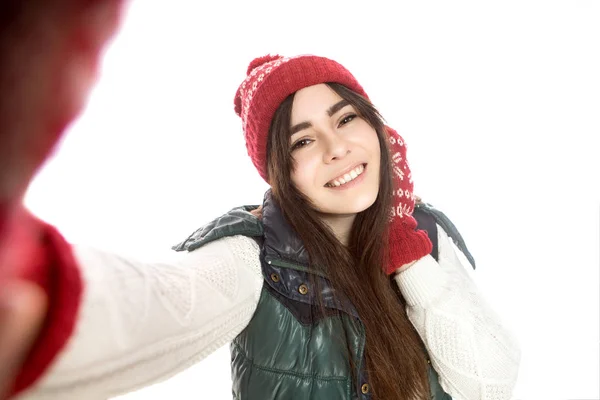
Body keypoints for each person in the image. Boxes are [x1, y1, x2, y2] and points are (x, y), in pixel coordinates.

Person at [0, 3, 521, 399]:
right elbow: (156, 304)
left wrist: (404, 249)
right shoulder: (254, 254)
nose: (337, 147)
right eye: (303, 140)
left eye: (345, 119)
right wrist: (28, 281)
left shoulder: (421, 231)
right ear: (281, 173)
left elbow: (489, 383)